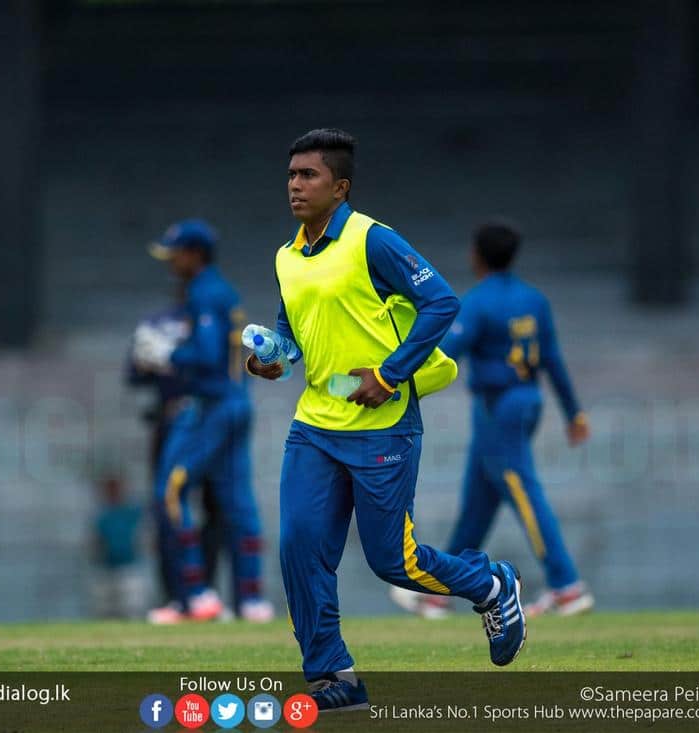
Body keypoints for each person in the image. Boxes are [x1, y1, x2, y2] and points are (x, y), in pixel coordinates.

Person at [246, 129, 527, 712]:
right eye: (291, 175)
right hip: (315, 425)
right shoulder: (286, 257)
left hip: (382, 423)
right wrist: (270, 359)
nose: (295, 185)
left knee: (392, 561)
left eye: (309, 175)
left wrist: (391, 373)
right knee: (299, 546)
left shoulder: (372, 240)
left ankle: (491, 585)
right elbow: (292, 336)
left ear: (340, 187)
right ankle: (334, 677)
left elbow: (442, 302)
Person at [391, 221, 594, 620]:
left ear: (477, 255)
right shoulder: (534, 300)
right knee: (478, 505)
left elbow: (445, 352)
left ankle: (566, 586)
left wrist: (394, 375)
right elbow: (552, 359)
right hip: (528, 400)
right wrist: (574, 413)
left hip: (499, 407)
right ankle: (440, 592)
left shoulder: (479, 302)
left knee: (523, 490)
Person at [143, 220, 274, 624]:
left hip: (212, 405)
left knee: (170, 491)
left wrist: (168, 354)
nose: (171, 263)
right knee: (237, 502)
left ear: (195, 254)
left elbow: (206, 354)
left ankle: (195, 596)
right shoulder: (222, 290)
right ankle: (251, 600)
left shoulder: (204, 291)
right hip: (236, 402)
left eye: (175, 255)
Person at [126, 302, 230, 616]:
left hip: (210, 420)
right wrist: (149, 360)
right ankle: (177, 596)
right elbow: (134, 374)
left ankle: (203, 593)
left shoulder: (215, 316)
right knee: (168, 506)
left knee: (213, 506)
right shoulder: (157, 322)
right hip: (171, 423)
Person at [89, 472, 147, 619]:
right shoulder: (102, 515)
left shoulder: (133, 513)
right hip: (106, 567)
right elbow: (96, 541)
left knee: (132, 609)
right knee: (104, 611)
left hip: (129, 567)